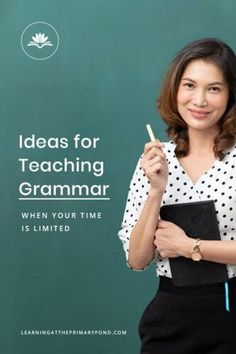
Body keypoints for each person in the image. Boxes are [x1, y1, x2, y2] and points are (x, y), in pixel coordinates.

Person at [118, 38, 236, 354]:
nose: (200, 100)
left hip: (230, 308)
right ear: (175, 90)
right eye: (189, 85)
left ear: (230, 96)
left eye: (214, 88)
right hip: (170, 315)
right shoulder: (156, 160)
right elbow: (138, 259)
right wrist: (156, 190)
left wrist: (188, 246)